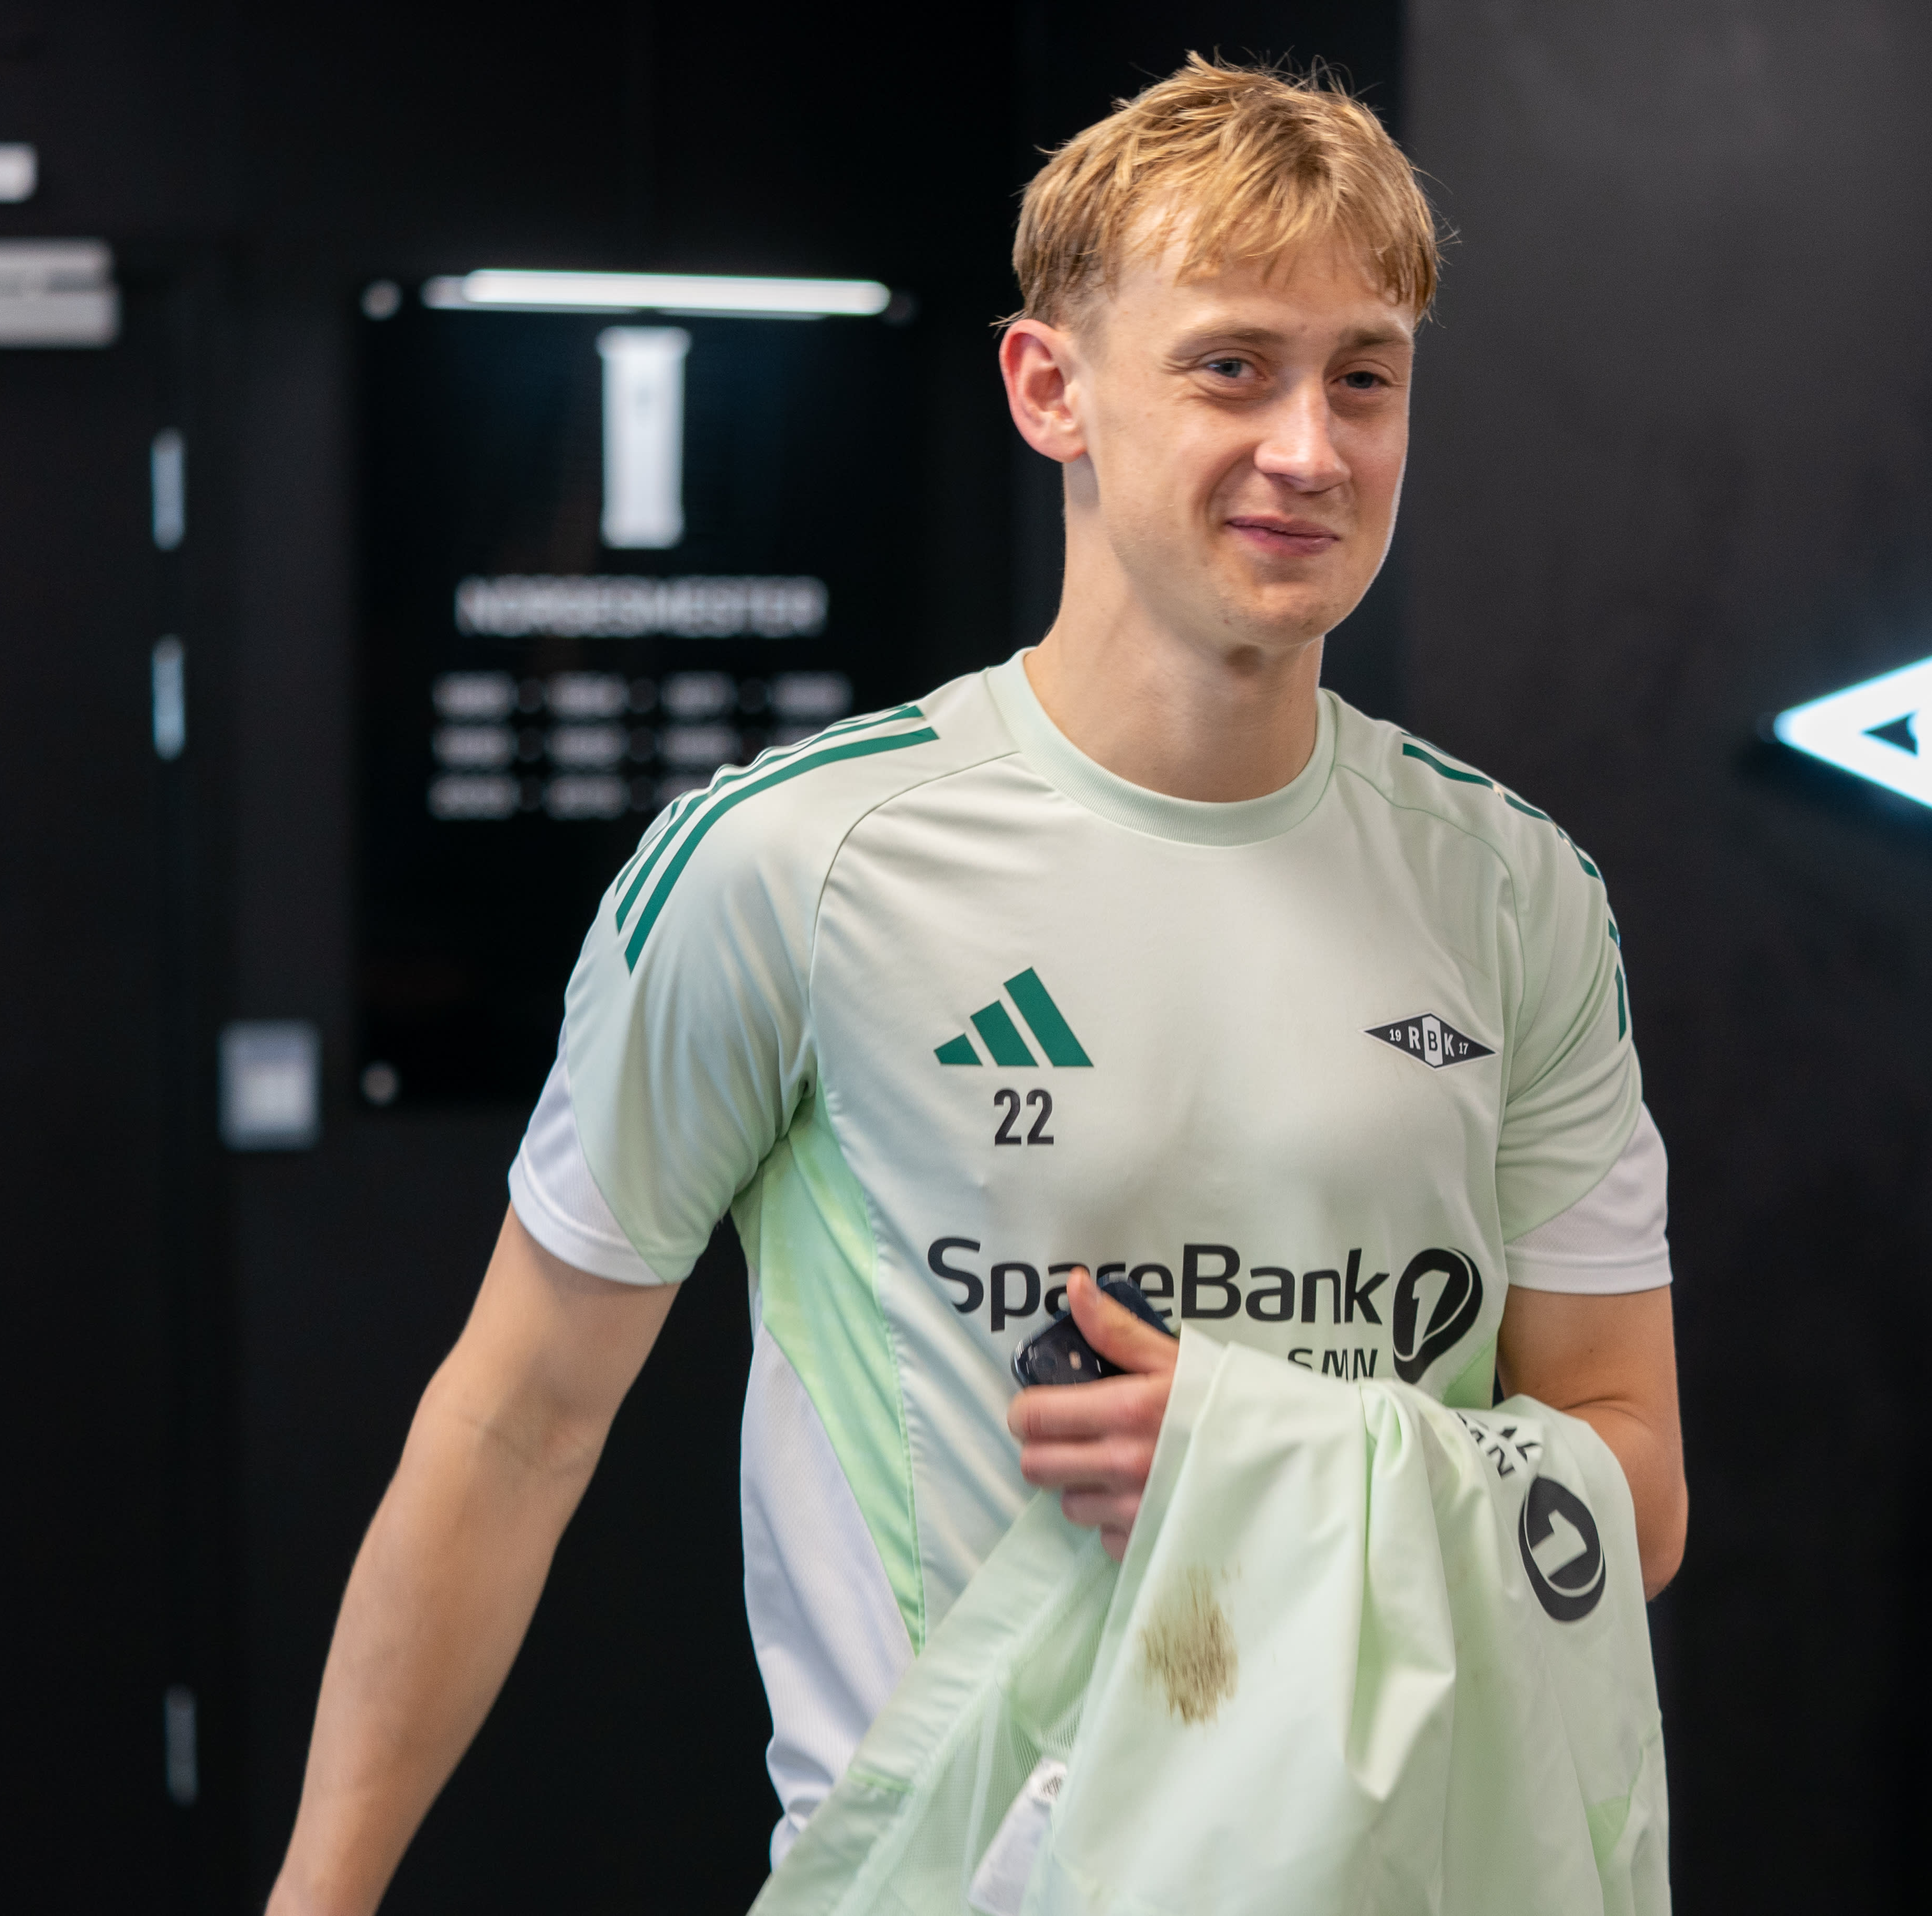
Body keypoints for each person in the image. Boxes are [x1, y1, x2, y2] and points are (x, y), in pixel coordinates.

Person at [266, 55, 1685, 1913]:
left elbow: (1632, 1490)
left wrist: (1257, 1462)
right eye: (1230, 366)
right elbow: (515, 1424)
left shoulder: (1515, 894)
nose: (1311, 450)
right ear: (1047, 388)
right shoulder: (794, 863)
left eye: (1365, 376)